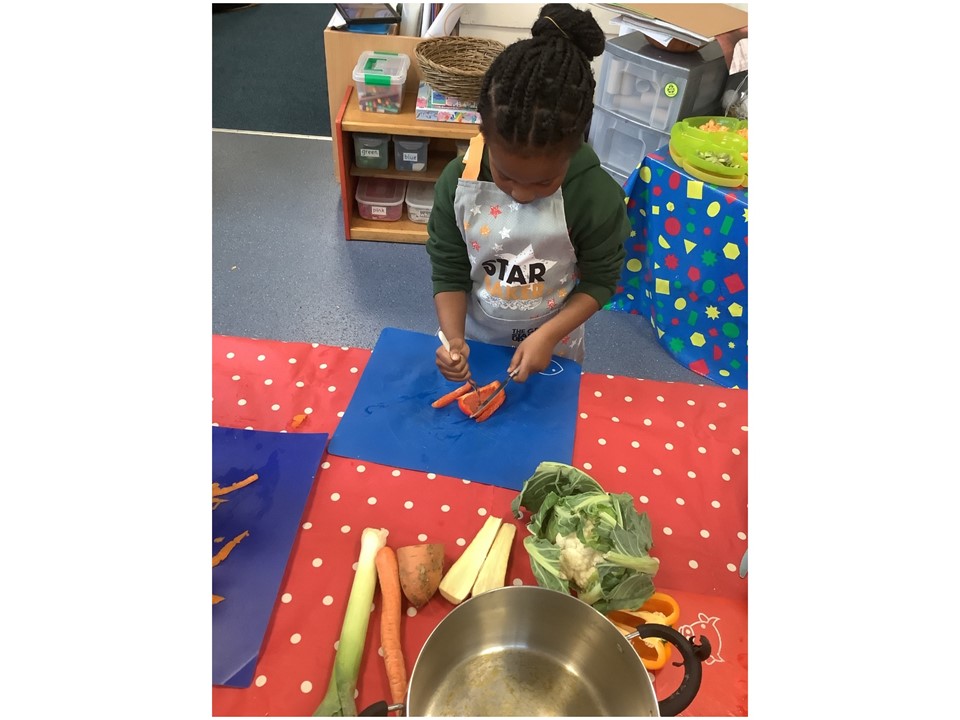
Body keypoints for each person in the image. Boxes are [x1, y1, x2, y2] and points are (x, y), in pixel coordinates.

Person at [426, 3, 631, 387]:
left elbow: (601, 281)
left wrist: (549, 335)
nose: (520, 195)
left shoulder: (595, 197)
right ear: (484, 134)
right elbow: (449, 269)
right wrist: (453, 339)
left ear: (574, 149)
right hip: (479, 341)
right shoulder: (457, 184)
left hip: (556, 344)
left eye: (543, 183)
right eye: (505, 176)